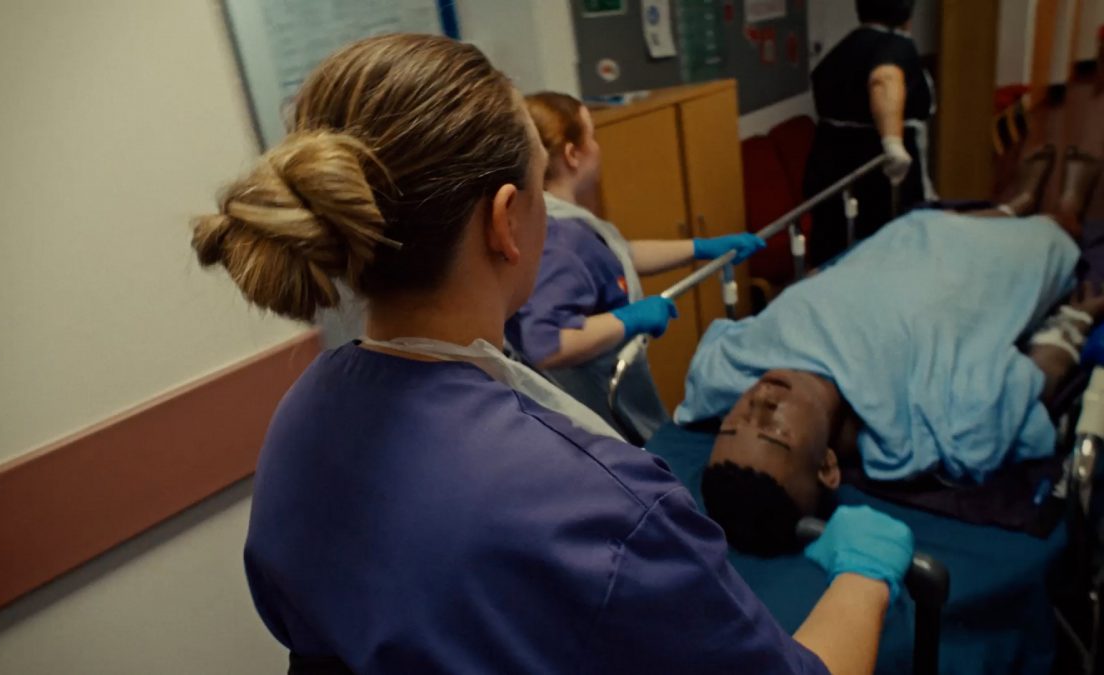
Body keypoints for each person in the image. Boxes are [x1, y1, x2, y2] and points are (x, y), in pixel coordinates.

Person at [191, 34, 913, 674]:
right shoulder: (606, 510)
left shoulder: (300, 420)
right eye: (541, 185)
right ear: (506, 220)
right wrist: (865, 577)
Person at [676, 150, 1104, 553]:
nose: (760, 400)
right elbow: (1024, 390)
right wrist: (1072, 326)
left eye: (733, 424)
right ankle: (1062, 212)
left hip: (893, 250)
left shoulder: (730, 368)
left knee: (931, 224)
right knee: (1047, 238)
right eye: (773, 429)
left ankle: (1016, 203)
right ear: (827, 466)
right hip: (971, 270)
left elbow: (700, 388)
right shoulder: (911, 425)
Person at [506, 91, 764, 441]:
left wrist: (702, 248)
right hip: (600, 406)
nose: (598, 147)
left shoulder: (564, 222)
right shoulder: (559, 238)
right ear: (572, 154)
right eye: (592, 135)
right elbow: (545, 343)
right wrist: (627, 320)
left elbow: (619, 255)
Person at [804, 0, 933, 267]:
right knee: (882, 255)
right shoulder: (895, 45)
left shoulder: (843, 48)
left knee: (835, 252)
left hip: (830, 171)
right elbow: (884, 80)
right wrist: (892, 143)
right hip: (875, 176)